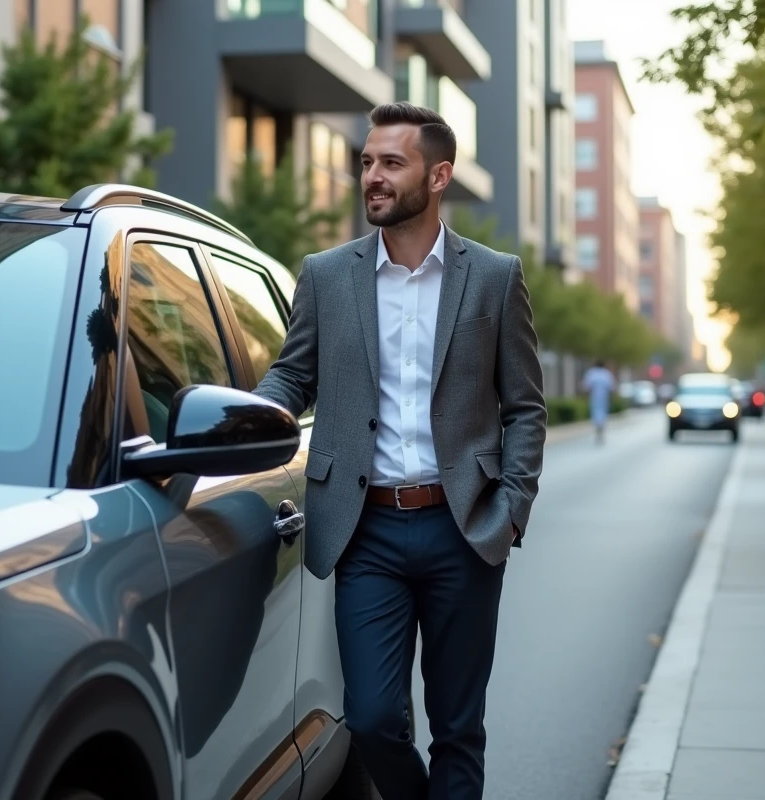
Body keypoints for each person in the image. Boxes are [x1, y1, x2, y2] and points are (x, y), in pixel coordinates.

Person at [253, 102, 547, 800]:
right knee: (375, 718)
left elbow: (526, 407)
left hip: (465, 527)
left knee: (457, 727)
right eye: (366, 163)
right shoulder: (327, 275)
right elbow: (294, 374)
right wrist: (252, 414)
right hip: (366, 530)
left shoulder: (495, 276)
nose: (372, 177)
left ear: (438, 175)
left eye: (392, 163)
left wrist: (509, 508)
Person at [582, 360, 615, 444]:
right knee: (602, 414)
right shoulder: (606, 374)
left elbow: (586, 387)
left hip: (595, 397)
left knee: (596, 413)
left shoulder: (592, 373)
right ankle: (600, 429)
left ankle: (599, 429)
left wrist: (585, 397)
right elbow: (611, 388)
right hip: (603, 398)